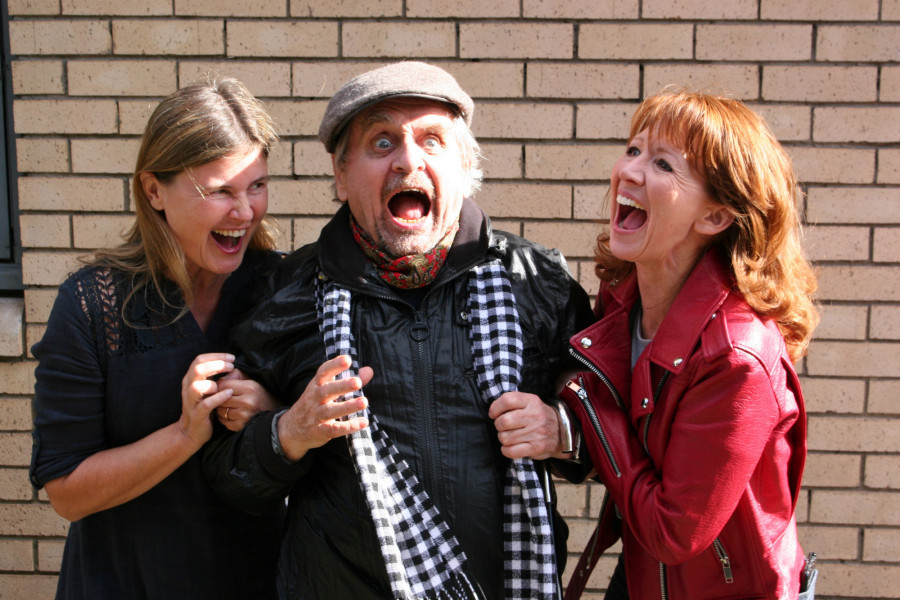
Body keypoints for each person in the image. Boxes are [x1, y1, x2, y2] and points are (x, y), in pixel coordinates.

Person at [203, 61, 594, 600]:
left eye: (432, 140)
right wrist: (289, 431)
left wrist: (561, 430)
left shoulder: (538, 282)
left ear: (463, 166)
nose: (408, 159)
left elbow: (614, 435)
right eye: (381, 143)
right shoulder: (285, 293)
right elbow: (228, 477)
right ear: (340, 177)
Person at [29, 76, 285, 600]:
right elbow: (67, 492)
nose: (245, 212)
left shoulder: (282, 289)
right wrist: (184, 434)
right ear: (153, 191)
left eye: (256, 185)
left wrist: (273, 408)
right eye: (219, 191)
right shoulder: (91, 306)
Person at [559, 90, 819, 600]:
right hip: (644, 576)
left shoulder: (735, 357)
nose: (629, 172)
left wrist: (585, 409)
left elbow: (674, 532)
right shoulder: (623, 294)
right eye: (633, 150)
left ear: (715, 217)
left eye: (662, 164)